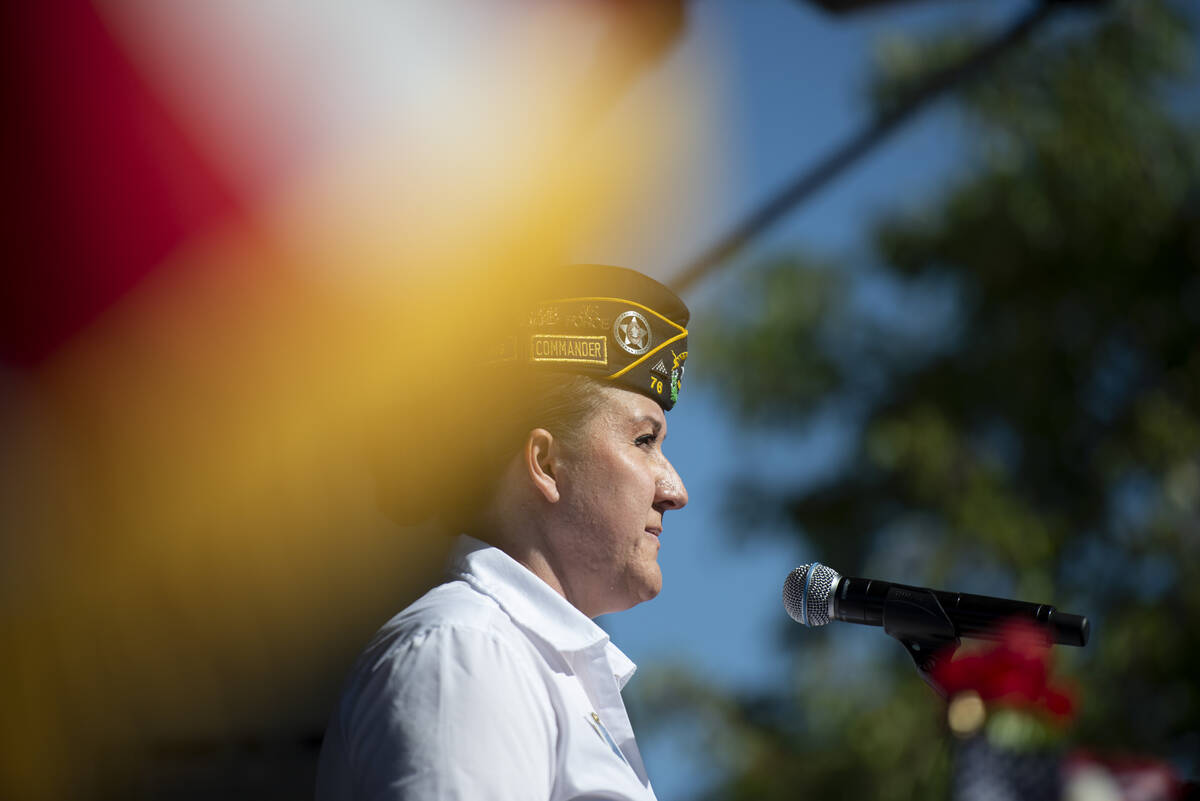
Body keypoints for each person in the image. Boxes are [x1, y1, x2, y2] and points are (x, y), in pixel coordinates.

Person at [316, 264, 691, 800]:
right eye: (643, 441)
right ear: (545, 462)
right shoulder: (467, 649)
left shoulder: (518, 660)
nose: (674, 489)